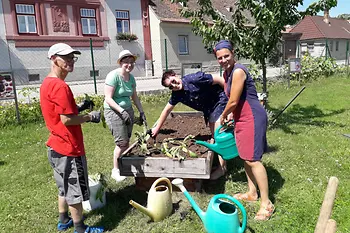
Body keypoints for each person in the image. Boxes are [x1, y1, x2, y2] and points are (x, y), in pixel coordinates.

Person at [40, 43, 104, 233]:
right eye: (65, 57)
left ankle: (63, 220)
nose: (70, 61)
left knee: (64, 186)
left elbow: (59, 110)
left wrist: (80, 106)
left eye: (72, 57)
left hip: (55, 146)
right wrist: (90, 116)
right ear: (53, 59)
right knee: (74, 189)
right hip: (69, 147)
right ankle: (80, 228)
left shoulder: (47, 83)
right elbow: (67, 120)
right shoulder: (60, 86)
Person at [214, 40, 274, 221]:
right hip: (241, 117)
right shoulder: (227, 73)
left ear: (233, 54)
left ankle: (266, 203)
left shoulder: (238, 71)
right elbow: (235, 101)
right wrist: (233, 115)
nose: (224, 60)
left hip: (253, 117)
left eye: (226, 56)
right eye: (220, 57)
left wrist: (224, 115)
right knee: (245, 156)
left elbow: (232, 102)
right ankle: (252, 192)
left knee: (253, 159)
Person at [151, 69, 228, 180]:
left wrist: (230, 99)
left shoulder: (194, 79)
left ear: (175, 75)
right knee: (214, 135)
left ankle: (222, 168)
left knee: (217, 131)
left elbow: (219, 79)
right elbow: (166, 110)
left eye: (173, 81)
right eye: (170, 86)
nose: (174, 85)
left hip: (219, 99)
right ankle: (221, 159)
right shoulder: (176, 94)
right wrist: (157, 128)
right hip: (209, 108)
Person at [104, 50, 147, 182]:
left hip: (128, 110)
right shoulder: (113, 76)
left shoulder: (131, 78)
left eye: (131, 62)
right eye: (126, 62)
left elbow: (134, 96)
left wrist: (141, 111)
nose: (129, 65)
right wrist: (121, 111)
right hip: (114, 111)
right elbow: (108, 98)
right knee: (121, 143)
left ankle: (123, 167)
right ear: (120, 63)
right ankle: (115, 170)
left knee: (126, 141)